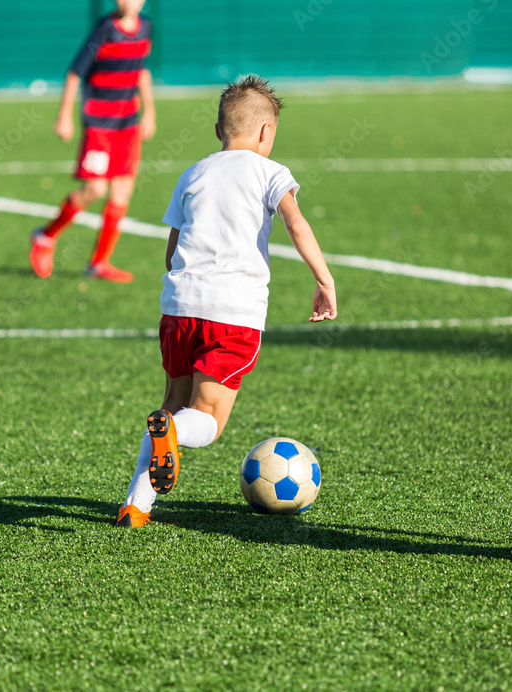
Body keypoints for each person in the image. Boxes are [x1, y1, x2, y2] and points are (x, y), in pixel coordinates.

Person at [116, 75, 338, 527]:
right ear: (266, 132)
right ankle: (171, 434)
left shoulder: (194, 172)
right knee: (207, 422)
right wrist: (324, 280)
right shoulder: (271, 173)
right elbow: (297, 226)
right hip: (233, 314)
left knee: (172, 401)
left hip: (178, 307)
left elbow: (171, 247)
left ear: (219, 131)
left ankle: (136, 506)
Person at [30, 0, 155, 282]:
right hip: (99, 123)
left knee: (122, 192)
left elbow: (141, 69)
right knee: (96, 188)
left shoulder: (146, 27)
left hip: (128, 124)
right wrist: (65, 116)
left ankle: (99, 263)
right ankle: (45, 236)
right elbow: (75, 74)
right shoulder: (105, 29)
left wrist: (150, 111)